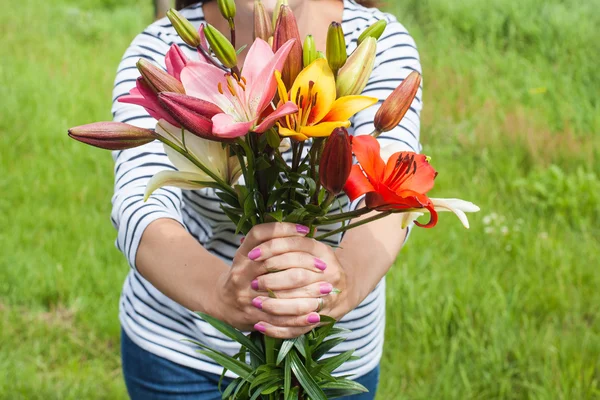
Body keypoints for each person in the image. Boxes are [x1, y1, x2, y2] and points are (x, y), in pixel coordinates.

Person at [111, 0, 422, 398]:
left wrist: (348, 277)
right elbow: (139, 204)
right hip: (183, 353)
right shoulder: (161, 50)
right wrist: (219, 291)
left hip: (332, 354)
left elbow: (394, 187)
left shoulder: (373, 42)